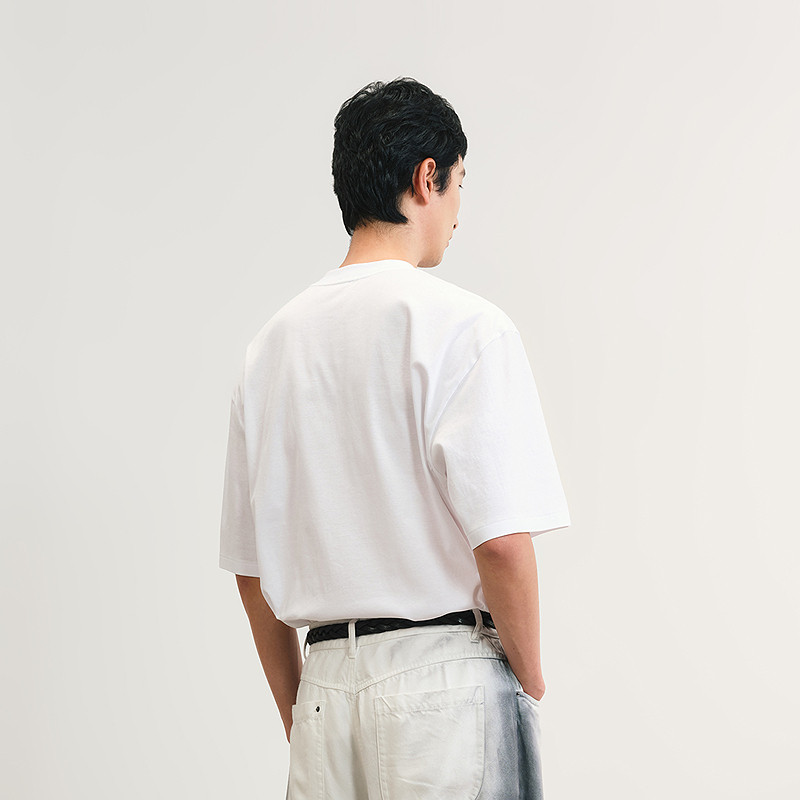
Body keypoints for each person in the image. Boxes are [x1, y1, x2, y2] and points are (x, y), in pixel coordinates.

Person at [218, 76, 571, 799]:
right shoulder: (466, 328)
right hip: (443, 683)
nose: (459, 213)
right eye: (459, 185)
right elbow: (502, 542)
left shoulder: (269, 350)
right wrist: (531, 678)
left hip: (324, 688)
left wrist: (301, 712)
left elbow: (251, 575)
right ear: (426, 178)